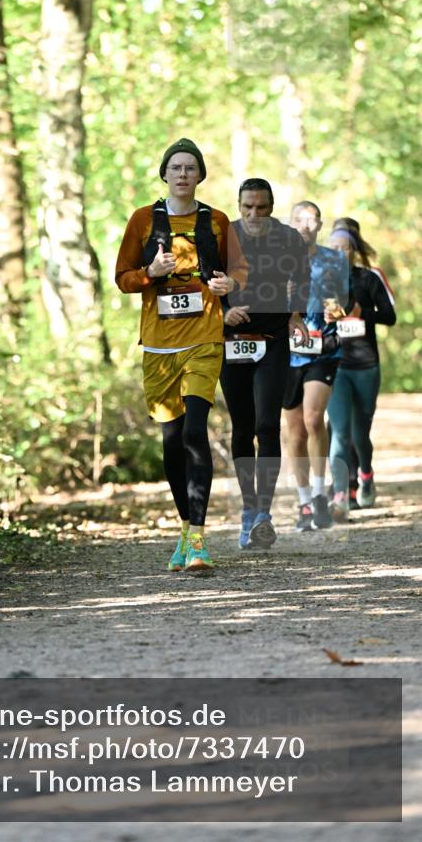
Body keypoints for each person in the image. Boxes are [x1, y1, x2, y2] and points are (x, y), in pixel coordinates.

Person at [115, 138, 247, 572]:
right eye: (176, 167)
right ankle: (185, 529)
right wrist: (149, 273)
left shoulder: (217, 220)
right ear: (165, 174)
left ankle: (199, 540)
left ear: (200, 175)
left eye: (191, 168)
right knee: (172, 443)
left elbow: (240, 270)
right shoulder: (142, 220)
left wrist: (229, 285)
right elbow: (122, 277)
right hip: (158, 343)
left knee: (194, 432)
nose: (183, 174)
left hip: (205, 338)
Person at [219, 179, 310, 550]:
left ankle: (264, 515)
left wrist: (296, 314)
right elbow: (206, 282)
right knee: (242, 428)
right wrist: (223, 312)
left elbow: (301, 278)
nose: (254, 214)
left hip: (272, 342)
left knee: (267, 425)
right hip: (232, 343)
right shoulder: (224, 236)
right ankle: (248, 509)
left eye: (261, 207)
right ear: (239, 205)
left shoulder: (289, 238)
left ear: (272, 206)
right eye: (248, 207)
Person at [282, 201, 351, 532]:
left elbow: (344, 302)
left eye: (312, 220)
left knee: (313, 418)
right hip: (285, 353)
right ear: (290, 223)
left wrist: (334, 312)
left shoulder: (334, 260)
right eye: (300, 219)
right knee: (295, 431)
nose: (305, 225)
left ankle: (322, 493)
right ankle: (305, 501)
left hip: (322, 349)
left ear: (320, 225)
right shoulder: (276, 259)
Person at [326, 220, 396, 519]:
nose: (339, 253)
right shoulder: (320, 280)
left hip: (366, 366)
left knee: (359, 435)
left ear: (353, 251)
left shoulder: (369, 278)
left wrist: (361, 313)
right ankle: (340, 494)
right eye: (333, 248)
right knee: (339, 432)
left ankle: (365, 474)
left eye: (344, 248)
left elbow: (390, 316)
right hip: (335, 364)